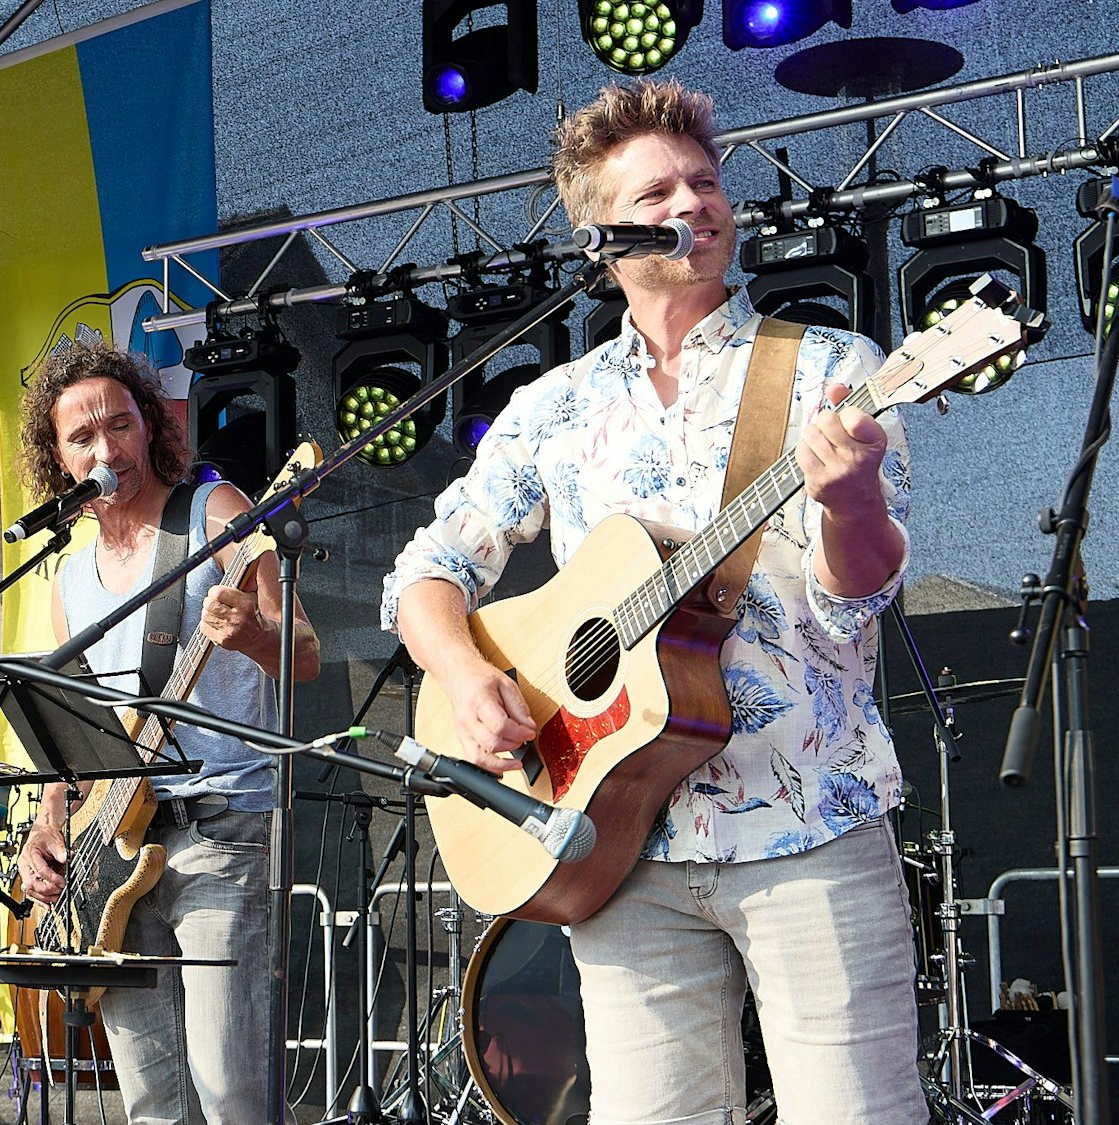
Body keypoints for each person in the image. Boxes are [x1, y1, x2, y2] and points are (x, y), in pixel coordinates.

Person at [384, 79, 926, 1123]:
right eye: (662, 188)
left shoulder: (829, 372)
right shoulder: (551, 407)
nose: (697, 201)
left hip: (805, 823)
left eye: (706, 181)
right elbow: (424, 570)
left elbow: (857, 593)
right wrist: (464, 673)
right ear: (602, 234)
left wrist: (851, 500)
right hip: (616, 846)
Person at [12, 341, 318, 1125]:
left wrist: (251, 634)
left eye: (119, 425)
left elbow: (305, 653)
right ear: (57, 457)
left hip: (218, 834)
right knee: (152, 1103)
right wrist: (49, 827)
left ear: (149, 426)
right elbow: (76, 747)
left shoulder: (217, 516)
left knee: (232, 1098)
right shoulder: (68, 580)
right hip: (109, 856)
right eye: (82, 438)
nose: (105, 448)